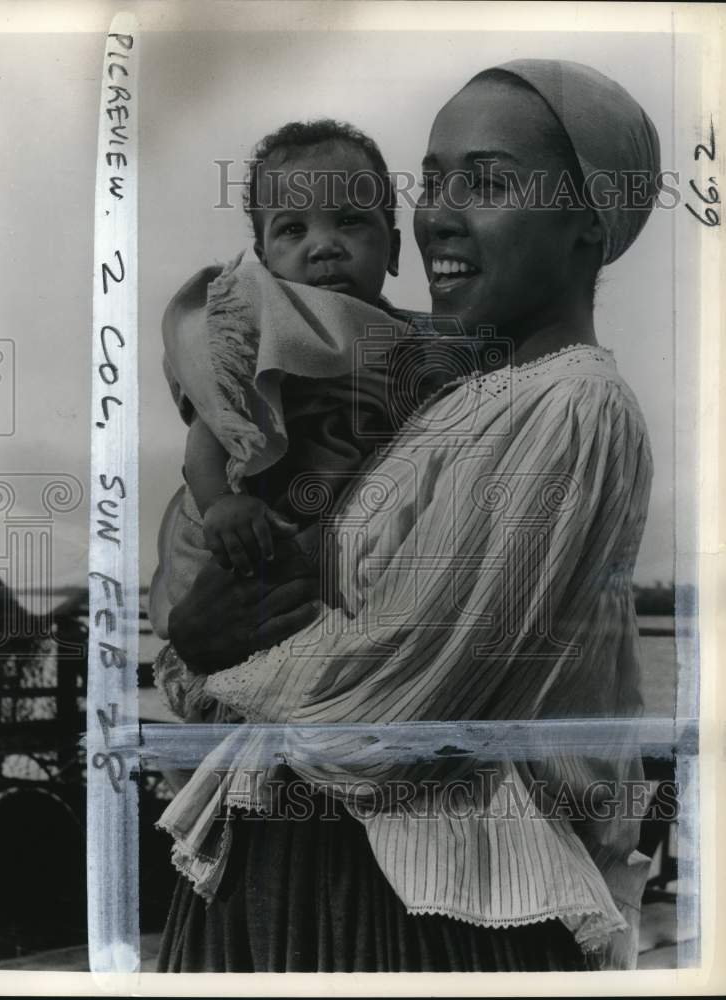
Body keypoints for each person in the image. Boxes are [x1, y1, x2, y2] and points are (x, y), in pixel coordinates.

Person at [153, 58, 660, 972]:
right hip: (278, 883)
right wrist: (206, 637)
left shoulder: (570, 406)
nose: (440, 215)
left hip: (411, 912)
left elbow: (393, 715)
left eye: (489, 182)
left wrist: (204, 659)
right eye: (432, 182)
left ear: (592, 220)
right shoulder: (441, 397)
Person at [149, 119, 416, 642]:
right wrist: (219, 503)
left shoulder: (400, 336)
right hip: (249, 515)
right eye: (294, 229)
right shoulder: (268, 323)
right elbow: (214, 423)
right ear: (266, 257)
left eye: (350, 221)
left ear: (395, 249)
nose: (324, 246)